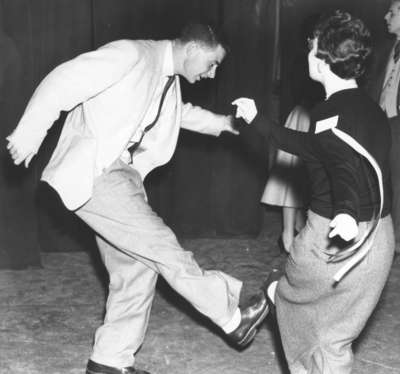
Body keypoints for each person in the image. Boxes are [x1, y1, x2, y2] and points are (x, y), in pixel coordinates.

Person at [6, 23, 270, 374]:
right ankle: (232, 317)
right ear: (191, 49)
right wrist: (30, 130)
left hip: (122, 177)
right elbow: (63, 79)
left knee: (137, 268)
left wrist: (223, 123)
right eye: (211, 63)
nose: (213, 73)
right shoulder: (130, 54)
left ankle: (108, 363)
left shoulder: (167, 80)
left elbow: (180, 115)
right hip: (98, 174)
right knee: (163, 248)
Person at [234, 10, 394, 373]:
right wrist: (257, 120)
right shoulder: (370, 109)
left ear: (322, 61)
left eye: (312, 49)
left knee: (294, 304)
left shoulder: (327, 116)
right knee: (334, 340)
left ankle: (276, 293)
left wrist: (346, 212)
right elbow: (311, 146)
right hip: (379, 241)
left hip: (334, 242)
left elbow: (343, 169)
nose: (307, 54)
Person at [366, 0, 400, 258]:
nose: (386, 17)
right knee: (381, 178)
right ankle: (384, 235)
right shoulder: (388, 48)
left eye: (392, 12)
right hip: (382, 121)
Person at [260, 105, 309, 253]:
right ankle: (288, 233)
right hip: (307, 113)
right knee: (292, 170)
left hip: (328, 111)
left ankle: (298, 226)